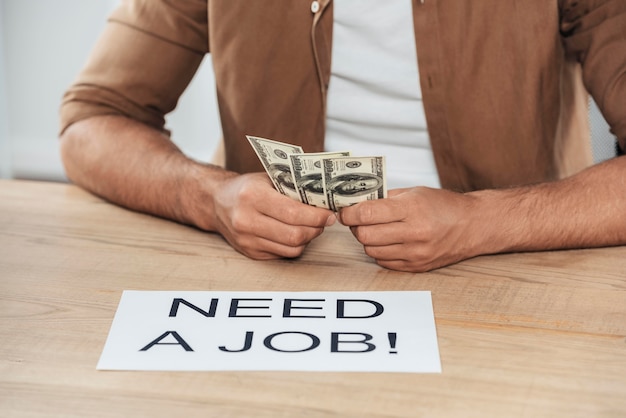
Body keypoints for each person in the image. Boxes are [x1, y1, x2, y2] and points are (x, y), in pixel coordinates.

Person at [59, 0, 626, 272]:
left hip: (511, 264)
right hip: (275, 276)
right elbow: (91, 121)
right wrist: (212, 198)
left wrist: (481, 221)